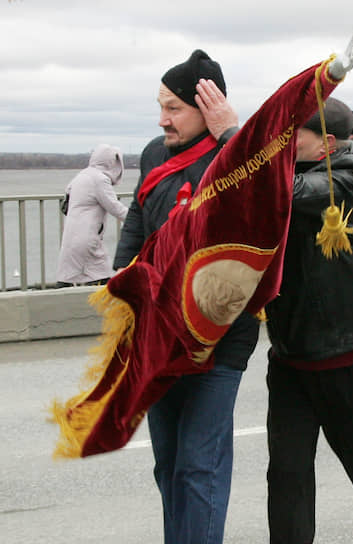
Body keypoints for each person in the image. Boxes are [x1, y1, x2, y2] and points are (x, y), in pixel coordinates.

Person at [113, 49, 260, 543]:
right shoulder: (156, 152)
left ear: (208, 106)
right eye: (161, 106)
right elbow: (139, 215)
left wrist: (230, 132)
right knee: (169, 463)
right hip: (158, 331)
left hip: (217, 339)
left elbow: (267, 198)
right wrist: (122, 275)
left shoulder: (235, 154)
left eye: (174, 108)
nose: (163, 119)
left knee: (200, 465)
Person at [264, 99, 353, 542]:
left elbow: (280, 191)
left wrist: (235, 139)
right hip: (291, 352)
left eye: (294, 138)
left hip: (348, 351)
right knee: (286, 474)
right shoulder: (307, 167)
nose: (284, 146)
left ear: (327, 143)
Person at [56, 144, 128, 287]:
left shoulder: (82, 175)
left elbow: (67, 201)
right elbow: (115, 207)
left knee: (69, 274)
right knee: (101, 274)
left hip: (72, 234)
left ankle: (63, 300)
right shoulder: (100, 180)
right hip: (87, 236)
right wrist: (138, 219)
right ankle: (98, 306)